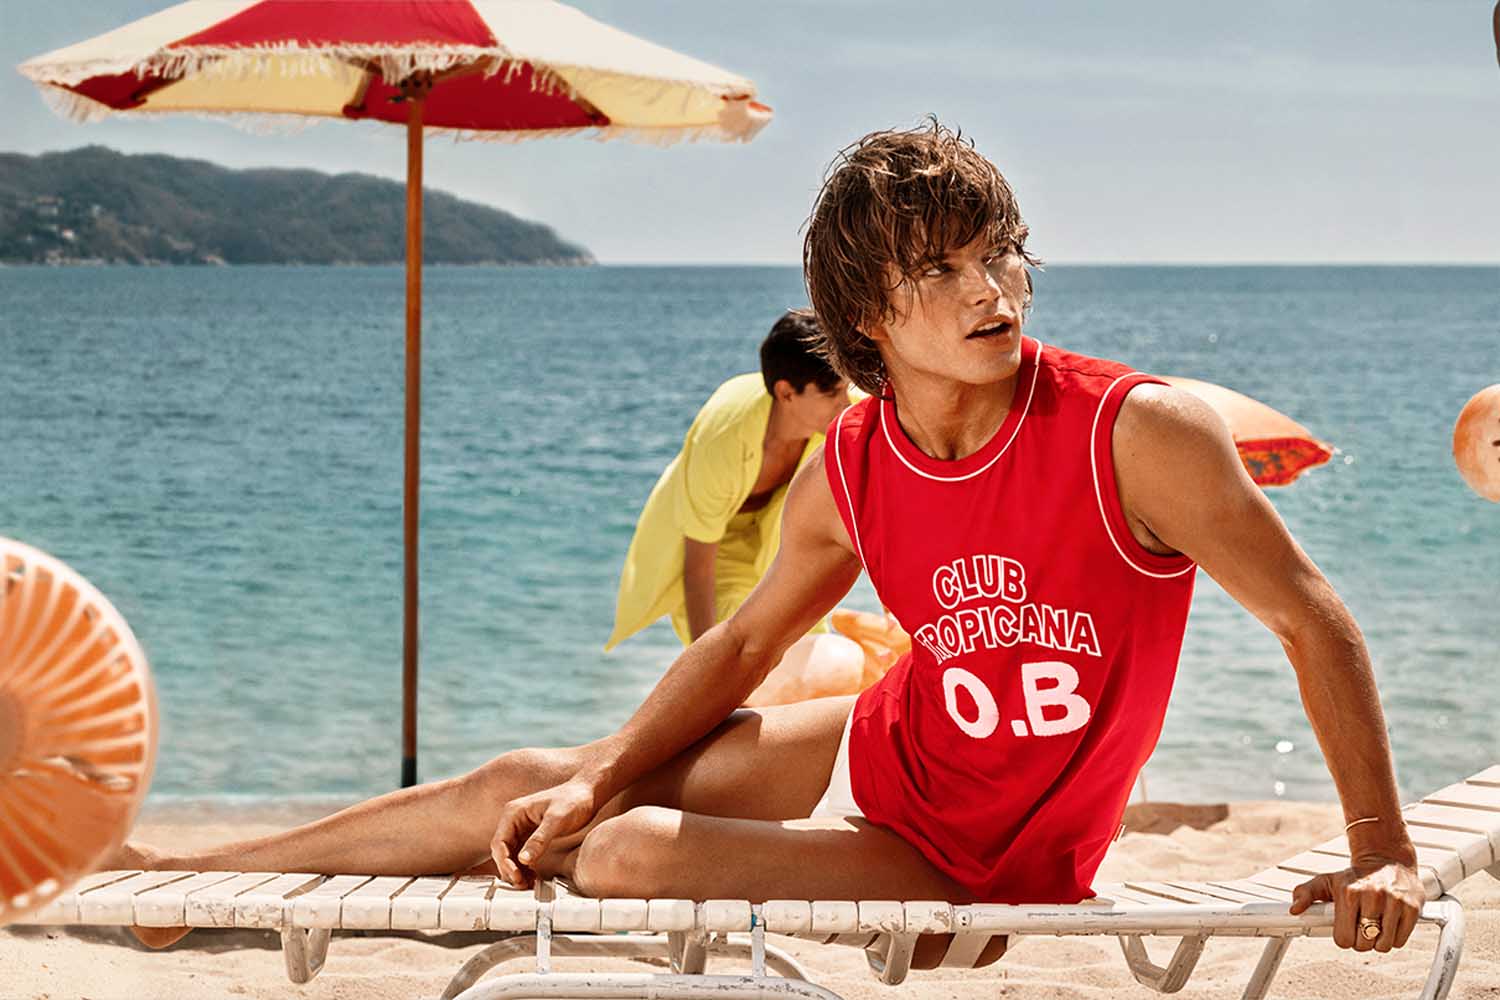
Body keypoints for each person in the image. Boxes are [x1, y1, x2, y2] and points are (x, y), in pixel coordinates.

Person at [119, 120, 1422, 965]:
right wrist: (601, 769)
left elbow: (1314, 621)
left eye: (1003, 256)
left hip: (987, 860)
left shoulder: (1137, 434)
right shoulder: (853, 463)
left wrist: (1383, 851)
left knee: (622, 853)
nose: (991, 289)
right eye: (946, 267)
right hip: (889, 745)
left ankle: (919, 927)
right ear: (866, 310)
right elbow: (747, 638)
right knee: (535, 784)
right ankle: (198, 879)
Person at [606, 310, 865, 705]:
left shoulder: (840, 417)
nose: (845, 403)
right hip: (721, 554)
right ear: (786, 393)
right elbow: (698, 568)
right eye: (831, 393)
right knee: (743, 663)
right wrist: (707, 683)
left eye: (846, 389)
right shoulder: (723, 437)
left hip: (778, 544)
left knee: (810, 660)